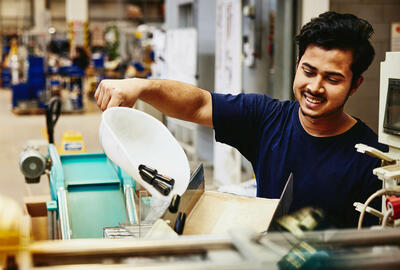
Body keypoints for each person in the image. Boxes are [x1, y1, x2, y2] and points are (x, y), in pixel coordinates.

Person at [95, 11, 387, 228]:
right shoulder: (267, 118)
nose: (315, 87)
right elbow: (199, 104)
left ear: (355, 84)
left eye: (332, 78)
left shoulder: (372, 159)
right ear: (297, 65)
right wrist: (140, 86)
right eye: (308, 71)